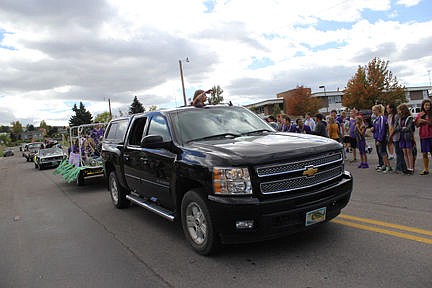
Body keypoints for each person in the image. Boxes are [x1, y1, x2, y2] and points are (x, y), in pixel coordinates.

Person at [371, 104, 391, 173]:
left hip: (382, 138)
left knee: (383, 152)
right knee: (380, 152)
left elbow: (382, 129)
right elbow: (376, 128)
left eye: (374, 110)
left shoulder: (382, 118)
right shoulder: (376, 119)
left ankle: (388, 166)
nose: (373, 112)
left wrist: (379, 139)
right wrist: (373, 129)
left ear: (378, 110)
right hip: (377, 137)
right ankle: (384, 165)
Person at [387, 103, 407, 174]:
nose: (387, 110)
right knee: (398, 152)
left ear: (391, 109)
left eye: (388, 108)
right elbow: (389, 127)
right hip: (392, 136)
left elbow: (396, 127)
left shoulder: (396, 116)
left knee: (399, 152)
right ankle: (402, 167)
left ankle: (399, 168)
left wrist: (391, 134)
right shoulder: (389, 116)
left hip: (397, 136)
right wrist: (389, 135)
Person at [415, 99, 432, 175]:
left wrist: (424, 121)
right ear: (423, 106)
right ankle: (426, 169)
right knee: (424, 153)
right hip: (423, 136)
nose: (427, 107)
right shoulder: (420, 114)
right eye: (426, 105)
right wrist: (419, 120)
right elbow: (417, 125)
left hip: (431, 135)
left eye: (429, 105)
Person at [397, 103, 415, 175]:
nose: (398, 112)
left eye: (399, 110)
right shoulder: (399, 118)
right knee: (404, 152)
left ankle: (411, 168)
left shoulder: (409, 118)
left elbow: (409, 128)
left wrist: (401, 129)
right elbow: (397, 128)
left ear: (403, 110)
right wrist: (402, 128)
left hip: (407, 137)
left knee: (409, 152)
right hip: (401, 137)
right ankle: (408, 167)